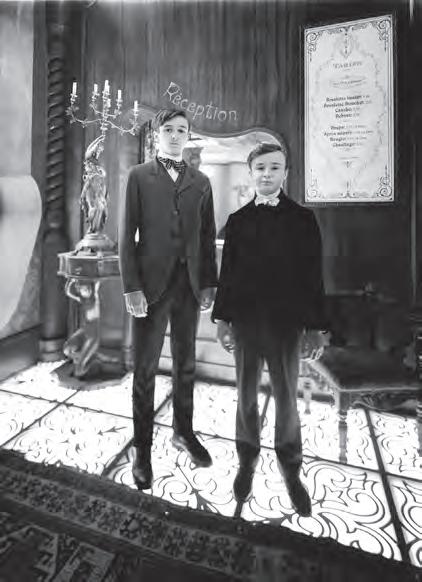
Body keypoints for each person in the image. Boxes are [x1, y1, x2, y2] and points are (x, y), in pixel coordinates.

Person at [212, 142, 328, 516]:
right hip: (246, 322)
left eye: (274, 167)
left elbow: (313, 276)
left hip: (286, 324)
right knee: (245, 396)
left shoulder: (303, 219)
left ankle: (290, 468)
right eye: (260, 167)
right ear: (251, 173)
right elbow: (228, 275)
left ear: (285, 173)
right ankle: (246, 459)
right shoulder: (237, 220)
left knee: (286, 398)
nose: (267, 173)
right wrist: (222, 320)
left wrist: (315, 326)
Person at [119, 108, 218, 490]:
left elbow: (206, 238)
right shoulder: (138, 176)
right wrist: (131, 287)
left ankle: (183, 432)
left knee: (185, 364)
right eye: (169, 129)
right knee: (144, 370)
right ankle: (141, 449)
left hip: (189, 287)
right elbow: (127, 235)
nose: (175, 135)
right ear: (158, 134)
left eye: (182, 130)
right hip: (150, 287)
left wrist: (208, 284)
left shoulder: (202, 182)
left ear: (188, 136)